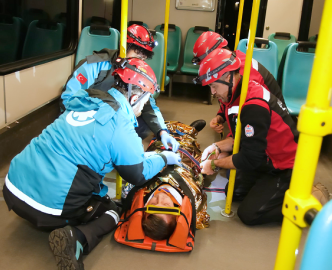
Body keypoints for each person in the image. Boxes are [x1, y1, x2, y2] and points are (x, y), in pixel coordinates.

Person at [3, 58, 182, 270]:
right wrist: (164, 158)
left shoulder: (86, 99)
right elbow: (138, 173)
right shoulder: (120, 124)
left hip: (13, 185)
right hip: (48, 206)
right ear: (135, 96)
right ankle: (76, 238)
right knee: (113, 210)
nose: (143, 107)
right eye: (145, 101)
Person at [194, 48, 298, 226]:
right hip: (264, 155)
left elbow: (249, 158)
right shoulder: (236, 95)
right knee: (234, 193)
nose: (212, 92)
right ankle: (267, 188)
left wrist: (214, 164)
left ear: (227, 77)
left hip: (284, 164)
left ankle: (305, 194)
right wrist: (217, 147)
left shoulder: (252, 105)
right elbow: (240, 138)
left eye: (214, 86)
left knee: (249, 214)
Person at [61, 24, 179, 150]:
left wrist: (162, 132)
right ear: (124, 47)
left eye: (143, 58)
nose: (139, 61)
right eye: (137, 55)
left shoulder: (137, 72)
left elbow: (148, 105)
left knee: (144, 124)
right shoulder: (94, 65)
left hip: (116, 122)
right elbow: (68, 99)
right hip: (89, 121)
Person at [192, 31, 285, 135]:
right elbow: (230, 96)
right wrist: (221, 116)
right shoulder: (234, 62)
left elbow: (246, 118)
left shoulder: (243, 72)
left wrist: (228, 141)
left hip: (272, 127)